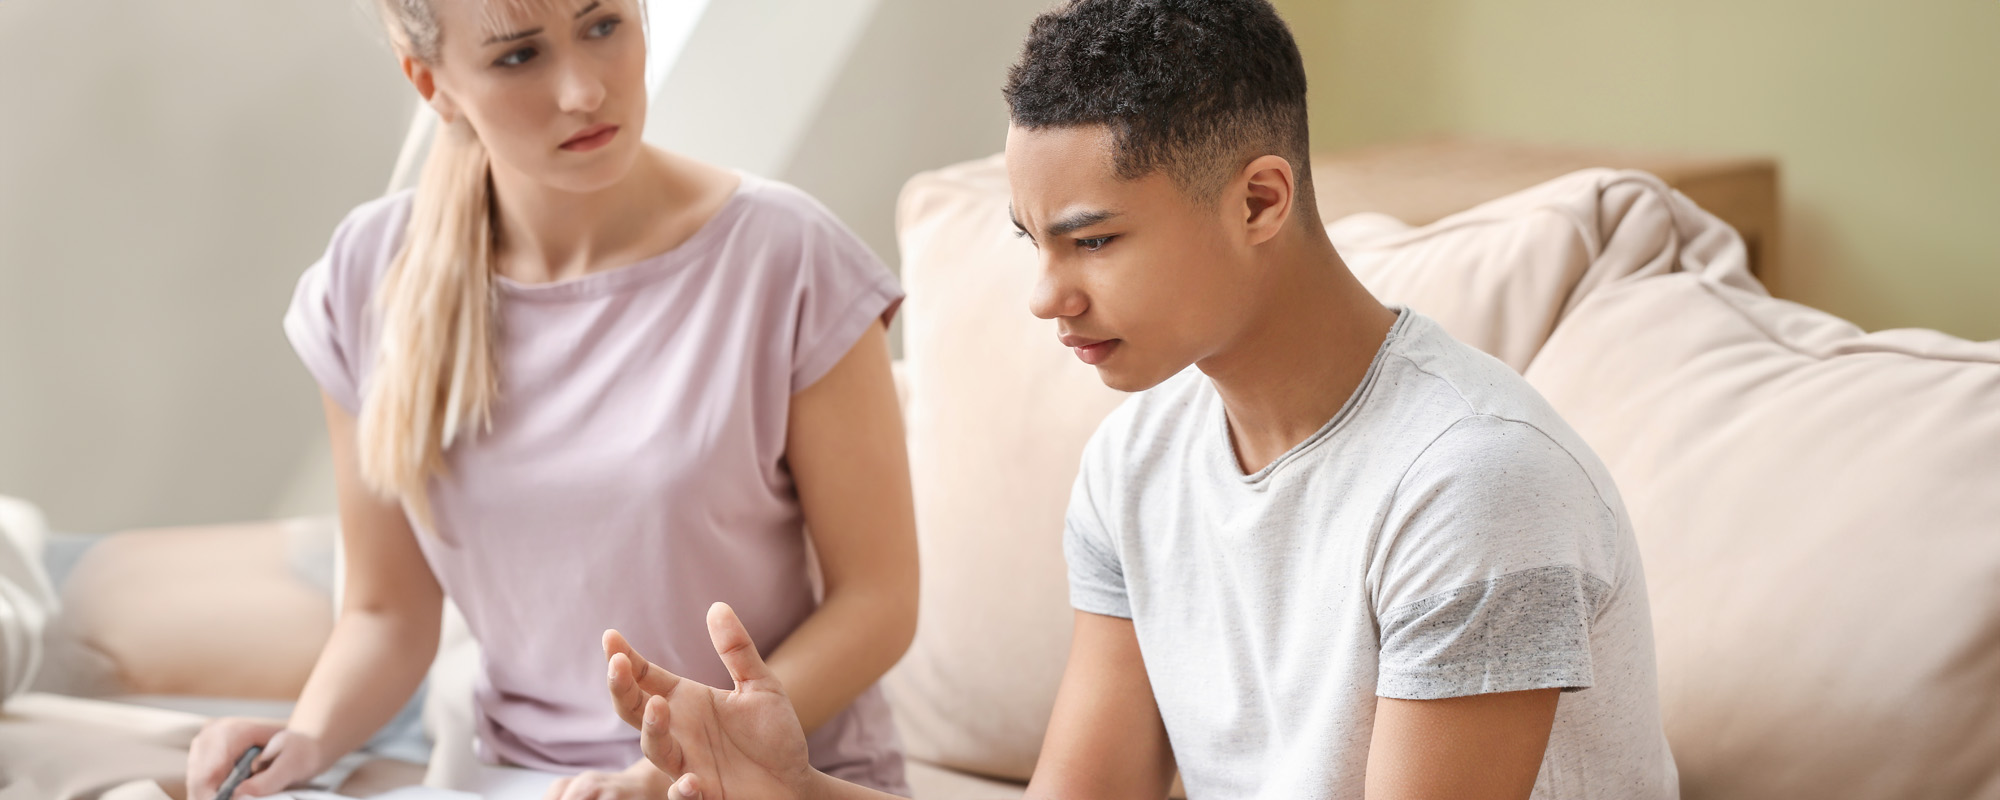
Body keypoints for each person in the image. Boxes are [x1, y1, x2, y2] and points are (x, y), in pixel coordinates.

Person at [599, 1, 1680, 798]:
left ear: (1259, 200)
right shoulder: (1134, 468)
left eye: (1094, 240)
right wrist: (797, 789)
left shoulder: (1472, 484)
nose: (1043, 295)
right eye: (1033, 243)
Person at [184, 0, 918, 797]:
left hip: (769, 779)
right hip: (513, 778)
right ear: (430, 81)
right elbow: (385, 615)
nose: (582, 92)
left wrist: (673, 764)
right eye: (518, 57)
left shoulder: (791, 257)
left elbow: (878, 602)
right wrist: (304, 740)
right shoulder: (368, 276)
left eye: (604, 26)